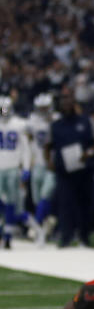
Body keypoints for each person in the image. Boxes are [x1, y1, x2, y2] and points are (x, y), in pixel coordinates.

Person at [50, 91, 94, 248]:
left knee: (84, 205)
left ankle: (84, 237)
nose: (67, 105)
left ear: (74, 104)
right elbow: (47, 146)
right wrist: (48, 161)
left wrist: (88, 154)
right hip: (64, 172)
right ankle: (66, 237)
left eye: (69, 102)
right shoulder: (56, 125)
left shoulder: (85, 122)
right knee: (65, 205)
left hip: (83, 171)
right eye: (64, 102)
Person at [0, 96, 36, 248]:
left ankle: (8, 235)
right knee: (6, 204)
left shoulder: (20, 124)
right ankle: (15, 227)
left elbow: (26, 148)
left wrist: (26, 168)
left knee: (11, 203)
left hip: (13, 168)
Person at [26, 93, 57, 245]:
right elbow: (26, 139)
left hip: (51, 165)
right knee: (37, 199)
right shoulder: (32, 120)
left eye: (45, 107)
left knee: (46, 194)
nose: (43, 110)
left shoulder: (56, 120)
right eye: (41, 108)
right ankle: (46, 225)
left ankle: (36, 227)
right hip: (36, 163)